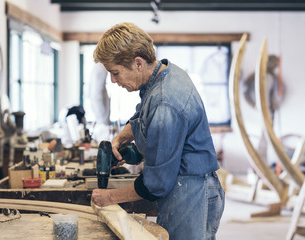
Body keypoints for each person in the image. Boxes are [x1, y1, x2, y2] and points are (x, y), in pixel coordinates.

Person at [91, 22, 225, 240]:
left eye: (115, 73)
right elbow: (142, 116)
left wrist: (109, 197)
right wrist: (119, 139)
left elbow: (155, 184)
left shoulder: (165, 103)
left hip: (191, 192)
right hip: (189, 185)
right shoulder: (162, 74)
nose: (113, 81)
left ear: (137, 63)